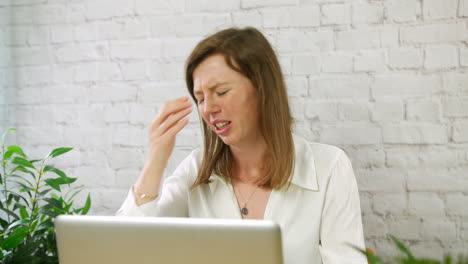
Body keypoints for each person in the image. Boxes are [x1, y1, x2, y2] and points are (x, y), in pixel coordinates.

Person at [117, 27, 367, 264]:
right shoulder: (196, 171)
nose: (208, 108)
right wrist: (155, 160)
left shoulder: (328, 168)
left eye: (222, 92)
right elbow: (126, 253)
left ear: (263, 89)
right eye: (200, 98)